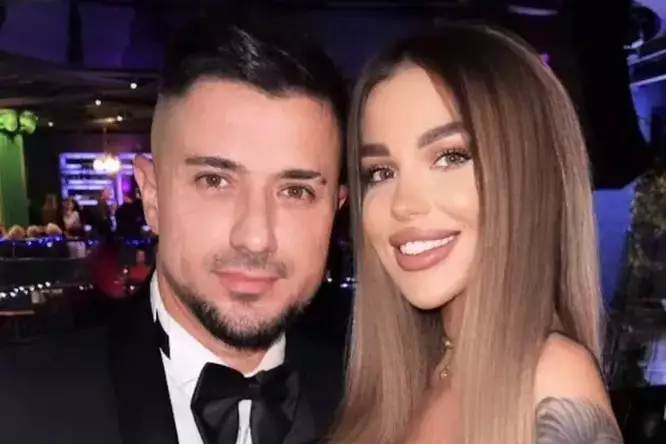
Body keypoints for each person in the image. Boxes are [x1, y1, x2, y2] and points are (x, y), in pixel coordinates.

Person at [0, 15, 348, 444]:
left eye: (296, 191)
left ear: (335, 210)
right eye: (214, 181)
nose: (256, 237)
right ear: (152, 196)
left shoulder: (378, 402)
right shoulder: (18, 409)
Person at [330, 24, 623, 444]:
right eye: (380, 172)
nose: (403, 204)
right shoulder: (419, 377)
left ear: (527, 175)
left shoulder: (551, 378)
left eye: (450, 157)